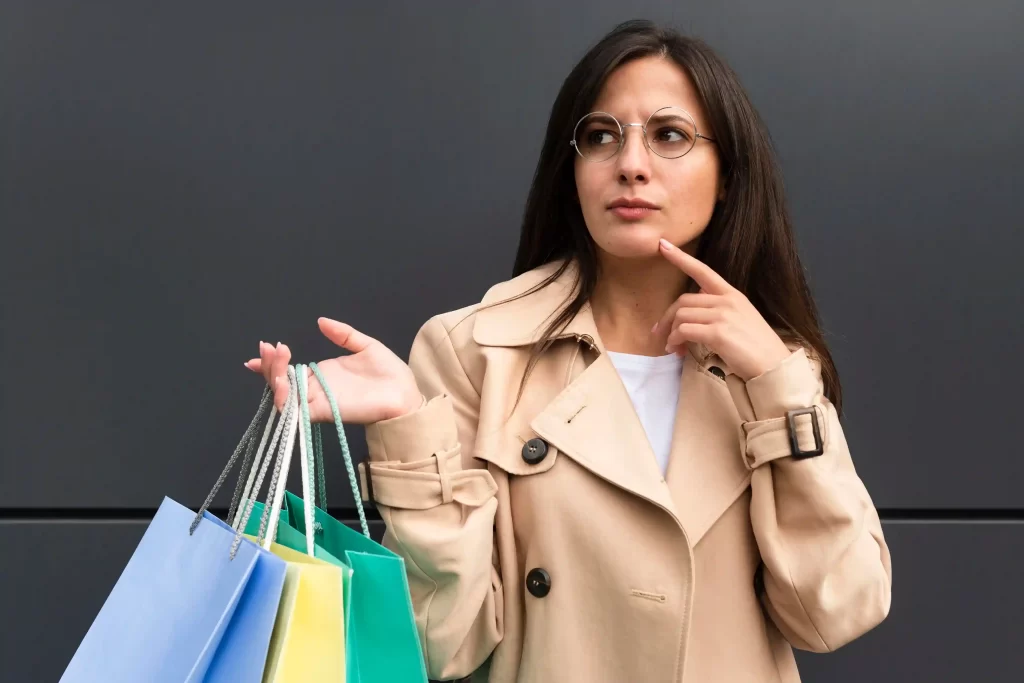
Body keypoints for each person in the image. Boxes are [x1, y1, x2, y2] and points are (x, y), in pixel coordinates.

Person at [244, 19, 891, 683]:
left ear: (727, 174)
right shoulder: (477, 350)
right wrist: (407, 423)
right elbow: (441, 644)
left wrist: (778, 384)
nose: (631, 164)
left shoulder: (773, 366)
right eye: (601, 136)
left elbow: (836, 610)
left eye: (669, 135)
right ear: (573, 168)